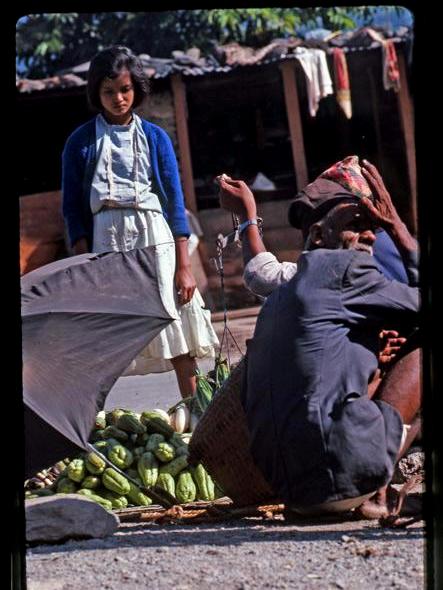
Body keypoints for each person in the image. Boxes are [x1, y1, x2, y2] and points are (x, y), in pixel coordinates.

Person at [217, 157, 421, 517]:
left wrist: (248, 217)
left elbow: (259, 271)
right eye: (355, 224)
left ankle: (368, 478)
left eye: (372, 223)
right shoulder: (346, 266)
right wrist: (401, 230)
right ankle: (377, 491)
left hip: (289, 488)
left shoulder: (289, 288)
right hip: (344, 471)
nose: (370, 234)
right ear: (317, 235)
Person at [62, 46, 218, 398]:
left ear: (137, 90)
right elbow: (72, 209)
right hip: (108, 241)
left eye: (125, 90)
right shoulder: (81, 143)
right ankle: (92, 424)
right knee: (106, 335)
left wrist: (184, 266)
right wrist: (85, 262)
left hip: (154, 237)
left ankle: (196, 413)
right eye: (108, 92)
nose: (118, 98)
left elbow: (175, 204)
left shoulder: (156, 138)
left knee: (174, 323)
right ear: (96, 93)